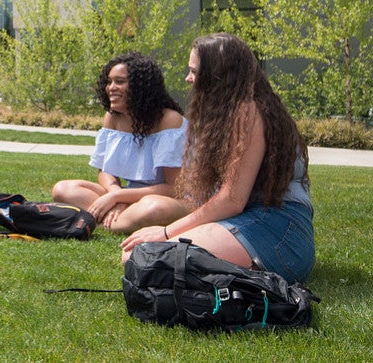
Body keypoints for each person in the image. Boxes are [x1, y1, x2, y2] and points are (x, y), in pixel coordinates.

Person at [121, 33, 314, 283]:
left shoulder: (248, 111)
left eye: (194, 71)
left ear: (217, 75)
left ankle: (246, 278)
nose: (188, 79)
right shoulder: (234, 111)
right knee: (137, 258)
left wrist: (166, 231)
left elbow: (232, 200)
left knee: (143, 258)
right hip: (254, 222)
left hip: (277, 232)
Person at [52, 53, 189, 234]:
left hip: (173, 198)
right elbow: (105, 170)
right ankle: (123, 220)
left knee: (154, 208)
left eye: (120, 82)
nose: (111, 88)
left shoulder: (169, 120)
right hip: (130, 196)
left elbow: (174, 188)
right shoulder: (112, 117)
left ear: (141, 86)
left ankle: (100, 222)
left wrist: (118, 197)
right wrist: (114, 193)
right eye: (109, 82)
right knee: (63, 189)